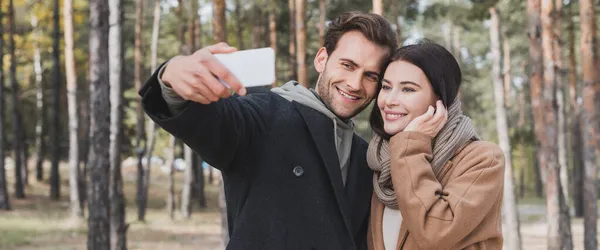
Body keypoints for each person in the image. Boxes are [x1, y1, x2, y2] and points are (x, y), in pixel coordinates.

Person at [139, 11, 398, 250]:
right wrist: (172, 77)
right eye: (348, 65)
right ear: (322, 59)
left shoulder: (366, 157)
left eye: (370, 76)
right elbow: (215, 122)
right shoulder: (264, 114)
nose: (355, 84)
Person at [366, 42, 505, 249]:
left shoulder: (483, 159)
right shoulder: (382, 161)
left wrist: (410, 145)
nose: (389, 100)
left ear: (440, 99)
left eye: (407, 89)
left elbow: (434, 232)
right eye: (386, 87)